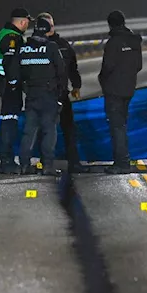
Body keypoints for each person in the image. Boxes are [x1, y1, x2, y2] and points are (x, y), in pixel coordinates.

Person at [18, 16, 67, 175]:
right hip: (48, 96)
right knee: (49, 131)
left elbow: (19, 73)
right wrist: (61, 96)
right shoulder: (51, 47)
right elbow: (61, 73)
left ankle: (24, 165)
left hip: (32, 95)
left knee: (29, 131)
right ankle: (47, 166)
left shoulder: (24, 48)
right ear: (47, 31)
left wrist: (26, 89)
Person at [36, 12, 83, 175]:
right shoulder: (39, 45)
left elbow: (72, 67)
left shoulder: (62, 45)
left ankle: (73, 162)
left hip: (59, 94)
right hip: (46, 95)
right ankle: (46, 162)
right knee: (46, 130)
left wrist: (76, 85)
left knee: (68, 129)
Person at [98, 10, 142, 172]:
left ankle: (121, 163)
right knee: (122, 125)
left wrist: (103, 80)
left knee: (117, 127)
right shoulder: (134, 41)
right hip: (129, 89)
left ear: (110, 24)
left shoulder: (113, 43)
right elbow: (139, 65)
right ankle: (124, 160)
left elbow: (107, 67)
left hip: (114, 90)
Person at [0, 7, 30, 173]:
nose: (28, 25)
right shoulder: (12, 37)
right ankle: (6, 160)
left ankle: (6, 157)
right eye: (27, 22)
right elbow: (10, 61)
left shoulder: (6, 33)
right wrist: (15, 82)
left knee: (9, 119)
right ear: (22, 22)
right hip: (8, 85)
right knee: (9, 120)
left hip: (5, 82)